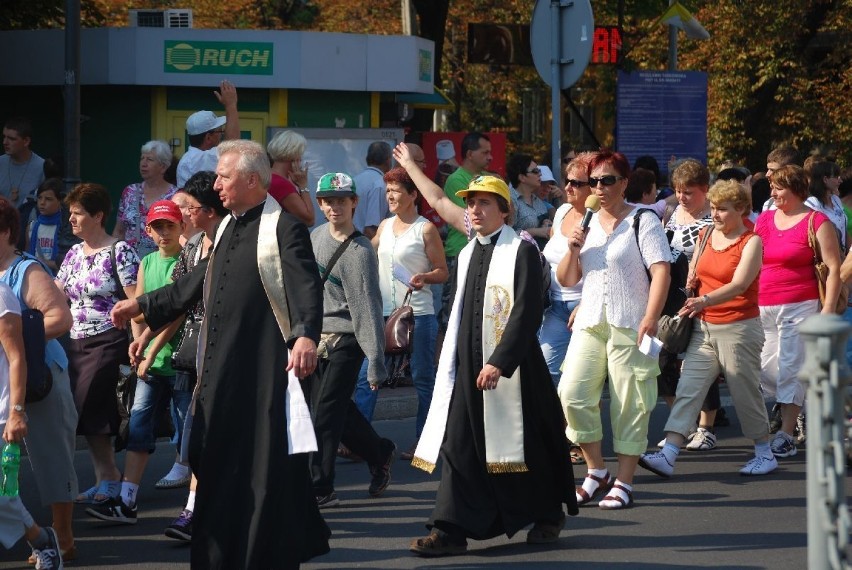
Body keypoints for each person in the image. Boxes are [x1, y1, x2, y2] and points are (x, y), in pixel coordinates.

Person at [110, 139, 329, 568]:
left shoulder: (282, 228)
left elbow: (307, 286)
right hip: (219, 369)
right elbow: (194, 284)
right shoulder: (226, 225)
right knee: (216, 465)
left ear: (251, 180)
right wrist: (143, 306)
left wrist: (304, 335)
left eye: (225, 177)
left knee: (264, 470)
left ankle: (263, 553)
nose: (218, 185)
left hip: (263, 371)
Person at [408, 175, 576, 557]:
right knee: (460, 446)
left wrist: (500, 361)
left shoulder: (522, 250)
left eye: (485, 203)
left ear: (505, 210)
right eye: (471, 204)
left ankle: (548, 514)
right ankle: (449, 530)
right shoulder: (467, 252)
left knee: (527, 444)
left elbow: (527, 311)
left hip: (515, 368)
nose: (475, 210)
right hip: (468, 367)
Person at [556, 150, 671, 510]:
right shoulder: (583, 222)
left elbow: (661, 271)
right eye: (593, 182)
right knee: (572, 393)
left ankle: (624, 480)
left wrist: (650, 317)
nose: (599, 188)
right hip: (589, 320)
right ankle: (596, 471)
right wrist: (573, 249)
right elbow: (567, 279)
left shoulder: (643, 220)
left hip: (631, 322)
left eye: (607, 180)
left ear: (624, 183)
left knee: (630, 403)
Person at [639, 180, 777, 478]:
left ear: (741, 209)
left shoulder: (751, 241)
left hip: (739, 327)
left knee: (744, 393)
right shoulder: (706, 234)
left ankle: (764, 453)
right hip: (703, 326)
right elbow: (695, 272)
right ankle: (669, 453)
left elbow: (739, 284)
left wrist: (703, 300)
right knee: (689, 389)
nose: (715, 214)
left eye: (722, 209)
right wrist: (692, 289)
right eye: (713, 208)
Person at [87, 200, 191, 525]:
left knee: (191, 431)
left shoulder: (185, 262)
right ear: (147, 230)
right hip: (148, 360)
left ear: (181, 227)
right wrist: (137, 340)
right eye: (157, 227)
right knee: (138, 427)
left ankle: (199, 505)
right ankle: (127, 501)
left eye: (169, 226)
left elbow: (176, 313)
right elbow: (140, 306)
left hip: (179, 360)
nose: (163, 233)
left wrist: (148, 346)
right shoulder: (146, 261)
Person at [310, 172, 397, 507]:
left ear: (354, 203)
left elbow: (367, 308)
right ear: (320, 204)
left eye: (341, 201)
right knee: (339, 412)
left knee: (325, 416)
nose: (335, 207)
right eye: (329, 201)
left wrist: (375, 361)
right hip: (317, 340)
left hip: (349, 340)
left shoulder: (360, 251)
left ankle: (321, 487)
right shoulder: (315, 237)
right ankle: (380, 452)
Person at [0, 198, 79, 564]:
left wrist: (13, 341)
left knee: (51, 459)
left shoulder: (25, 270)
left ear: (5, 232)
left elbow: (60, 319)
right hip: (5, 383)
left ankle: (62, 536)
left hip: (40, 378)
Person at [352, 167, 448, 460]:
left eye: (395, 191)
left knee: (422, 378)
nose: (390, 196)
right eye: (388, 191)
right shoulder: (383, 226)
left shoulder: (425, 229)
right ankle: (358, 441)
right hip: (382, 314)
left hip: (418, 314)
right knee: (367, 376)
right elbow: (364, 257)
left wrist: (424, 278)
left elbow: (442, 272)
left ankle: (426, 442)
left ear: (412, 195)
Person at [55, 184, 140, 510]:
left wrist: (138, 344)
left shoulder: (120, 251)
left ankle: (111, 479)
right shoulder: (75, 253)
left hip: (109, 338)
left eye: (77, 213)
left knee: (89, 402)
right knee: (87, 410)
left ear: (98, 215)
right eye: (71, 213)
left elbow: (135, 302)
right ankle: (105, 476)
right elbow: (56, 292)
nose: (72, 220)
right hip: (75, 341)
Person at [756, 164, 841, 459]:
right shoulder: (765, 219)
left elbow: (833, 268)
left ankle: (786, 435)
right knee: (766, 370)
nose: (772, 193)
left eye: (778, 187)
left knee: (791, 367)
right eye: (772, 187)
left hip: (800, 304)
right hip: (762, 304)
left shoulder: (817, 221)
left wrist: (828, 308)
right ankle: (804, 405)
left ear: (795, 189)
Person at [158, 170, 226, 542]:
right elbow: (177, 298)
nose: (182, 213)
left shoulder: (234, 242)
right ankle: (193, 510)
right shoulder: (192, 245)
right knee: (199, 429)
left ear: (210, 210)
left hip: (229, 348)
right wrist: (150, 342)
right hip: (195, 346)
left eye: (190, 207)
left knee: (219, 432)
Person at [0, 279, 63, 569]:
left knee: (3, 498)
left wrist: (16, 412)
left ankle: (43, 541)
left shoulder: (1, 296)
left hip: (2, 414)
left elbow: (17, 358)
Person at [660, 159, 721, 451]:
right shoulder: (671, 212)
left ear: (705, 190)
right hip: (670, 295)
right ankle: (680, 423)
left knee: (699, 362)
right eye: (678, 190)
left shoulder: (714, 219)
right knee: (662, 361)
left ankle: (706, 427)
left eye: (689, 192)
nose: (682, 197)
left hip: (702, 297)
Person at [538, 153, 595, 387]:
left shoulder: (602, 219)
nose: (568, 187)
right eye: (567, 180)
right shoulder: (561, 212)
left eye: (577, 183)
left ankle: (579, 425)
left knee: (581, 383)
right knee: (546, 373)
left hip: (584, 308)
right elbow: (552, 256)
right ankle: (557, 424)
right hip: (554, 305)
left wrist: (587, 304)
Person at [113, 140, 179, 258]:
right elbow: (119, 231)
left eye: (149, 160)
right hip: (129, 263)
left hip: (162, 261)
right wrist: (113, 257)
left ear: (163, 167)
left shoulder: (175, 196)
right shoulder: (129, 192)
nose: (143, 163)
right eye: (142, 158)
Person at [176, 80, 240, 189]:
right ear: (208, 137)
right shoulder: (197, 158)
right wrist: (230, 105)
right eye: (220, 131)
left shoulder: (192, 157)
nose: (222, 135)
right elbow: (232, 145)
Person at [24, 178, 77, 273]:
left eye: (48, 199)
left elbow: (69, 261)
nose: (42, 202)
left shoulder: (67, 226)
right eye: (40, 198)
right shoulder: (33, 226)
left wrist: (44, 262)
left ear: (59, 201)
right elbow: (27, 252)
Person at [267, 130, 315, 226]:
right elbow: (309, 219)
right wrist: (303, 186)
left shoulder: (267, 176)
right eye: (300, 154)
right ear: (294, 155)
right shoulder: (280, 184)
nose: (301, 159)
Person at [507, 154, 552, 247]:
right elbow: (504, 235)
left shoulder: (539, 202)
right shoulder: (510, 200)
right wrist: (533, 232)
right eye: (535, 171)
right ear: (522, 177)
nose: (540, 174)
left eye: (539, 170)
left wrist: (546, 223)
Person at [0, 117, 45, 207]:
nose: (5, 142)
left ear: (26, 141)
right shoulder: (1, 162)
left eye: (12, 139)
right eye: (4, 137)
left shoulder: (42, 167)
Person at [352, 142, 392, 238]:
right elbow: (371, 230)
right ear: (388, 160)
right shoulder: (380, 185)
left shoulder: (354, 180)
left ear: (367, 159)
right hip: (365, 246)